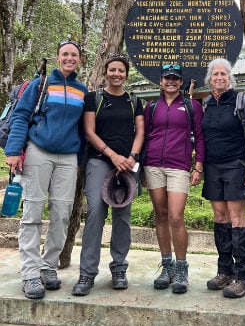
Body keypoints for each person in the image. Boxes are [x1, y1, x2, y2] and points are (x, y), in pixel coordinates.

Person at [4, 40, 87, 300]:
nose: (69, 58)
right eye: (65, 54)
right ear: (57, 57)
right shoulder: (41, 84)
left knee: (62, 214)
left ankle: (48, 267)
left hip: (68, 157)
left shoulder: (82, 90)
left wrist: (80, 159)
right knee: (32, 212)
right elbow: (20, 116)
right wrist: (14, 151)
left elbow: (84, 129)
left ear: (79, 60)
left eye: (74, 55)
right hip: (39, 151)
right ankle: (30, 273)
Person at [72, 53, 144, 296]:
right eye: (112, 70)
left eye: (121, 70)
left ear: (126, 73)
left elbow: (140, 132)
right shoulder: (94, 98)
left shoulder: (134, 101)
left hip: (127, 164)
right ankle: (87, 273)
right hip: (100, 160)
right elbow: (89, 132)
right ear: (106, 72)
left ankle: (119, 268)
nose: (116, 74)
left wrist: (132, 156)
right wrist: (113, 155)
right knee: (95, 211)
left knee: (122, 215)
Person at [143, 63, 205, 294]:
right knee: (160, 215)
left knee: (176, 217)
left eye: (175, 78)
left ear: (181, 82)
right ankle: (166, 264)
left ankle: (181, 267)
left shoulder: (192, 106)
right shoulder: (151, 106)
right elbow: (145, 134)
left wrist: (198, 166)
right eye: (167, 78)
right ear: (160, 81)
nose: (171, 81)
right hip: (153, 165)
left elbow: (200, 136)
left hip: (178, 166)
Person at [202, 58, 245, 299]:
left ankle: (242, 276)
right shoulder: (206, 104)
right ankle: (224, 270)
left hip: (236, 165)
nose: (219, 77)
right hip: (213, 167)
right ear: (210, 79)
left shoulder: (242, 101)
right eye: (215, 74)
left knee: (237, 218)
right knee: (220, 217)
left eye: (224, 74)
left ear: (230, 77)